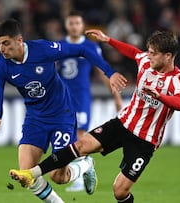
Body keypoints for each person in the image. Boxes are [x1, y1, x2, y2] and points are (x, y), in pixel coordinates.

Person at [9, 29, 180, 203]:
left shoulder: (179, 79)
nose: (148, 56)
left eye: (153, 54)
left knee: (120, 191)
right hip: (123, 124)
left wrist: (159, 96)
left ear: (168, 56)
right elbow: (133, 52)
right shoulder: (145, 61)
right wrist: (108, 40)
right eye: (148, 52)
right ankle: (32, 173)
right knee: (80, 145)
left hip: (145, 140)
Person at [0, 19, 127, 203]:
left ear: (19, 40)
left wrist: (110, 73)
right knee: (26, 173)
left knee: (58, 176)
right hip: (35, 118)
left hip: (62, 114)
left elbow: (83, 50)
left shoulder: (42, 49)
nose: (1, 48)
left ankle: (86, 164)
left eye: (5, 43)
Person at [57, 11, 123, 192]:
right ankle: (83, 166)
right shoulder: (59, 46)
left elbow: (102, 72)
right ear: (66, 25)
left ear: (82, 25)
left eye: (77, 23)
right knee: (64, 136)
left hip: (80, 98)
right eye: (71, 23)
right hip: (61, 99)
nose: (74, 26)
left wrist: (116, 96)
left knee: (78, 134)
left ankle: (79, 173)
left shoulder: (90, 47)